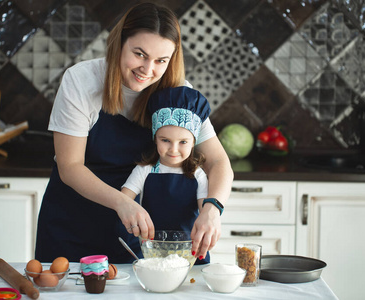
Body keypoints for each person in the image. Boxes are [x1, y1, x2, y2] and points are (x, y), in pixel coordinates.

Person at [35, 2, 233, 264]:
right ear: (119, 43)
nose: (148, 69)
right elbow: (70, 166)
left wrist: (212, 208)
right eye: (139, 54)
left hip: (144, 233)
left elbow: (219, 162)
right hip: (74, 225)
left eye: (161, 60)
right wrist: (122, 202)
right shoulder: (81, 81)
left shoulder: (180, 94)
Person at [121, 86, 216, 264]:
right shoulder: (144, 170)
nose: (173, 149)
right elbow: (124, 199)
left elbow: (205, 213)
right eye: (165, 140)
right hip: (152, 252)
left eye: (183, 142)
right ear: (155, 138)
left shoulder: (198, 175)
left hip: (190, 252)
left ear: (193, 142)